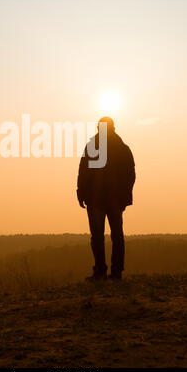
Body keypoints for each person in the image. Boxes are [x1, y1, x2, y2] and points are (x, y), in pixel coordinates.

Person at [77, 117, 135, 281]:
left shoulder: (93, 147)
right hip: (111, 199)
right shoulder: (122, 148)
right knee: (115, 235)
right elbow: (130, 175)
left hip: (98, 200)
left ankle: (102, 271)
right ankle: (115, 272)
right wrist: (125, 196)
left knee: (100, 236)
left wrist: (81, 192)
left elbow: (83, 172)